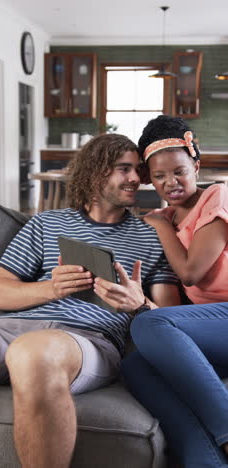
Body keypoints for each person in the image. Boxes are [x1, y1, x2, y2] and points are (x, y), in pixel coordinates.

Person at [0, 133, 180, 468]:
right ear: (95, 174)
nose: (137, 179)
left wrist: (139, 305)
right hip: (8, 329)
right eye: (125, 169)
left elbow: (174, 318)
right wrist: (51, 288)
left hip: (86, 341)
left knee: (34, 352)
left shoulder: (151, 236)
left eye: (139, 170)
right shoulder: (46, 223)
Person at [122, 115, 228, 468]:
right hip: (211, 331)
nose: (171, 183)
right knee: (137, 366)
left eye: (179, 171)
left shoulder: (217, 197)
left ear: (196, 165)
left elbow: (191, 273)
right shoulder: (163, 217)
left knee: (151, 325)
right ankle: (207, 462)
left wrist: (160, 224)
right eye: (159, 176)